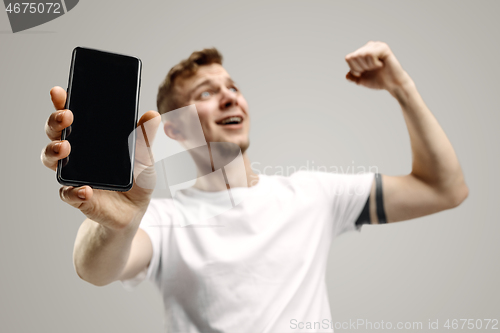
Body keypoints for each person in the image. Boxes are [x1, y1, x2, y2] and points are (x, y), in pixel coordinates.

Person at [41, 41, 468, 332]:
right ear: (175, 129)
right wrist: (116, 224)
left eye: (233, 88)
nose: (230, 97)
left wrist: (402, 88)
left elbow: (443, 189)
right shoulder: (164, 219)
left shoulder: (313, 195)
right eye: (208, 93)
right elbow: (93, 269)